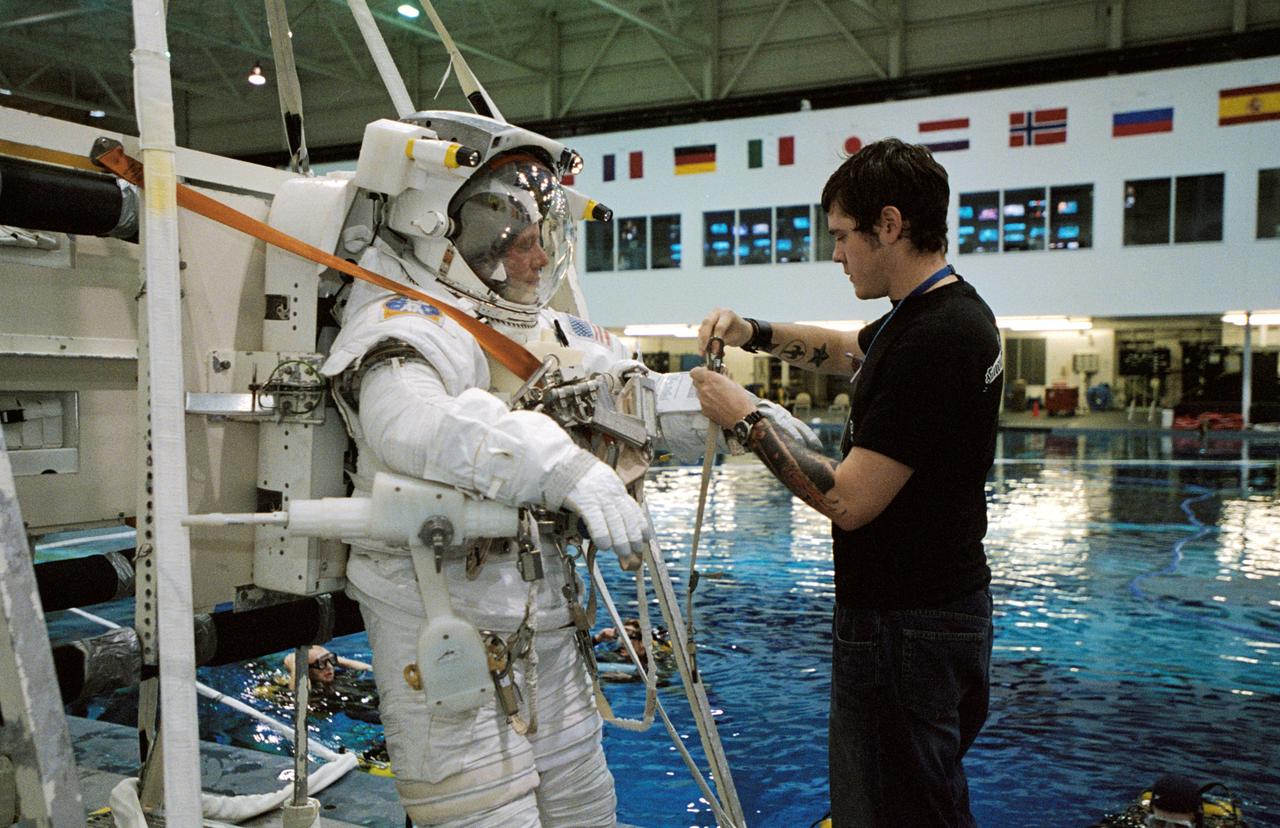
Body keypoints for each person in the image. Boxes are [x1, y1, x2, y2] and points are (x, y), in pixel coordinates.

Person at [308, 113, 815, 826]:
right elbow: (408, 424)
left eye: (541, 235)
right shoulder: (405, 321)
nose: (536, 257)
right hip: (440, 616)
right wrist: (561, 468)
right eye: (512, 238)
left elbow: (628, 394)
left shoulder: (537, 329)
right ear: (437, 227)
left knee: (584, 807)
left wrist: (735, 418)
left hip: (543, 615)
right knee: (487, 815)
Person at [690, 138, 1003, 827]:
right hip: (939, 612)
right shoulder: (936, 314)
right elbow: (849, 351)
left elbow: (849, 500)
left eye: (841, 236)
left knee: (892, 811)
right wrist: (753, 331)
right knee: (924, 798)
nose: (835, 254)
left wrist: (743, 416)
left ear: (888, 225)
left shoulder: (937, 337)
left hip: (904, 626)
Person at [281, 645, 372, 687]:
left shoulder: (340, 676)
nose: (329, 667)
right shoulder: (284, 685)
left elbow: (369, 668)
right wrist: (296, 664)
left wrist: (329, 657)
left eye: (331, 660)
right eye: (321, 663)